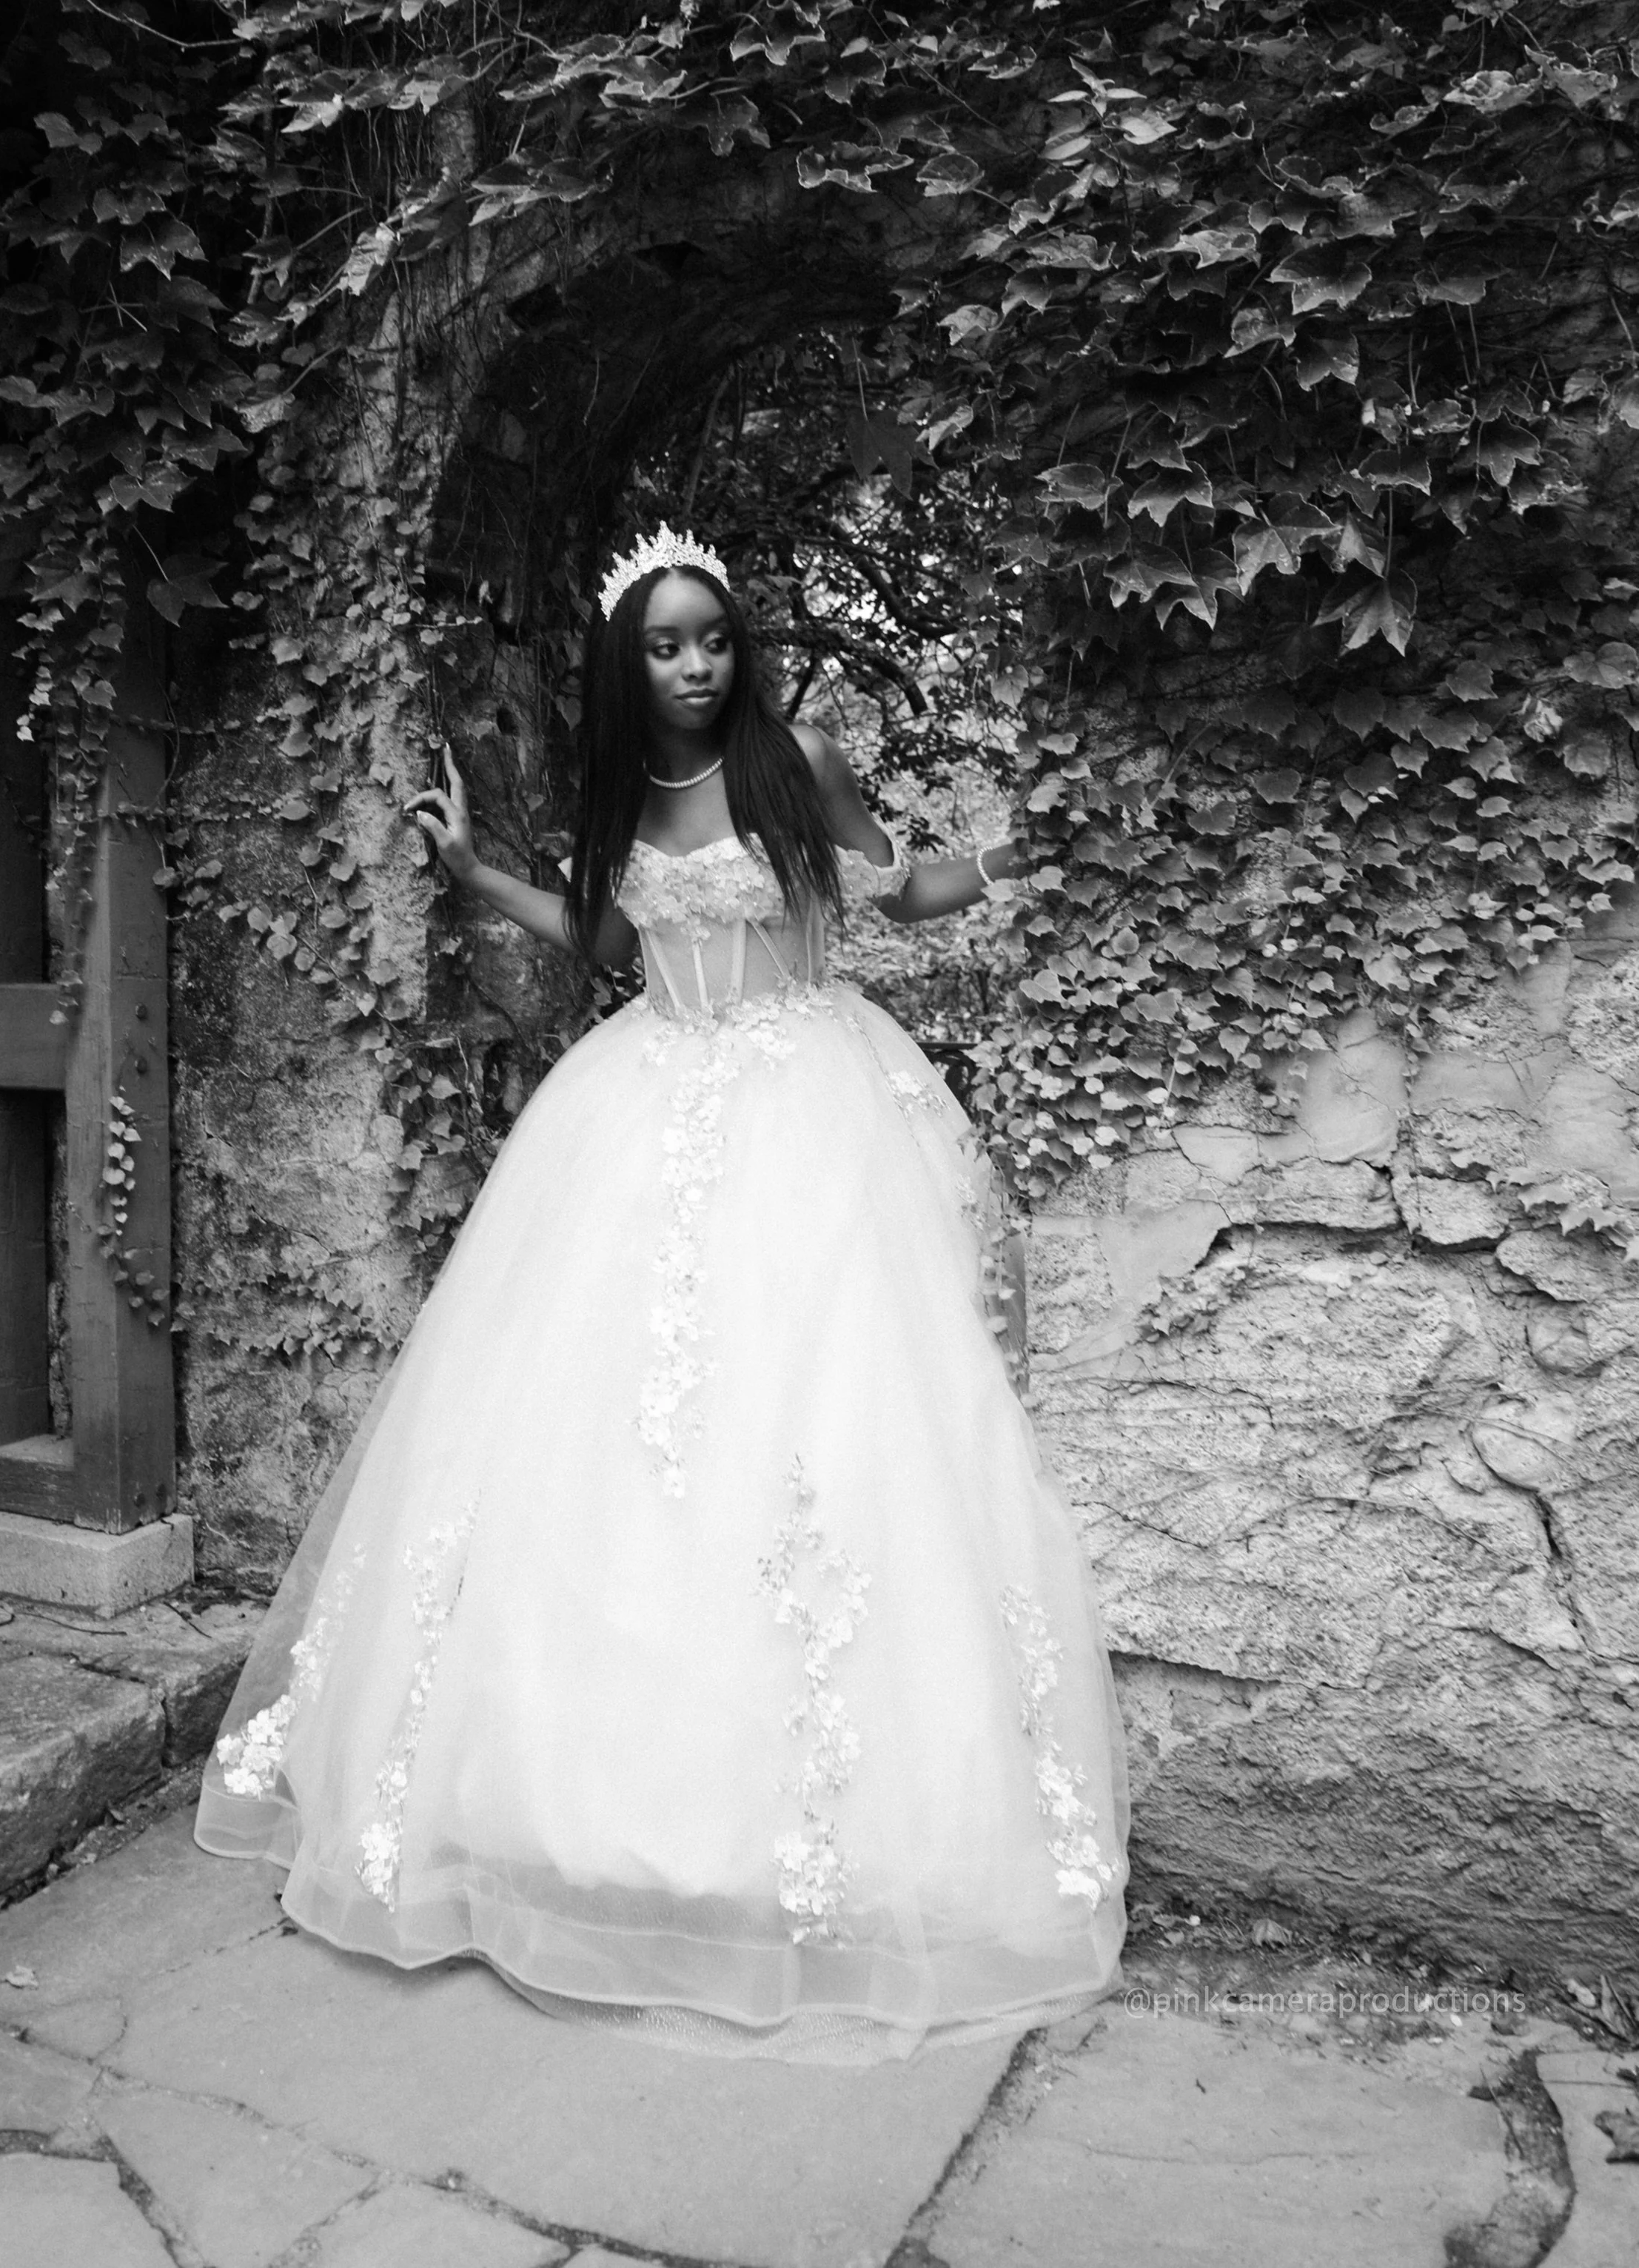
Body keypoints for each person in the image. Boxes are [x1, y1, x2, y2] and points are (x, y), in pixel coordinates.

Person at [195, 526, 1130, 2063]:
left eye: (710, 637)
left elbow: (900, 897)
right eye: (663, 643)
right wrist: (472, 867)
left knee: (813, 1429)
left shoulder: (797, 761)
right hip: (636, 1106)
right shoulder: (622, 795)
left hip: (807, 1110)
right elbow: (610, 949)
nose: (692, 662)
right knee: (610, 1448)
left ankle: (825, 1852)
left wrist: (1018, 847)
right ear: (627, 663)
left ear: (736, 646)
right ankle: (562, 1819)